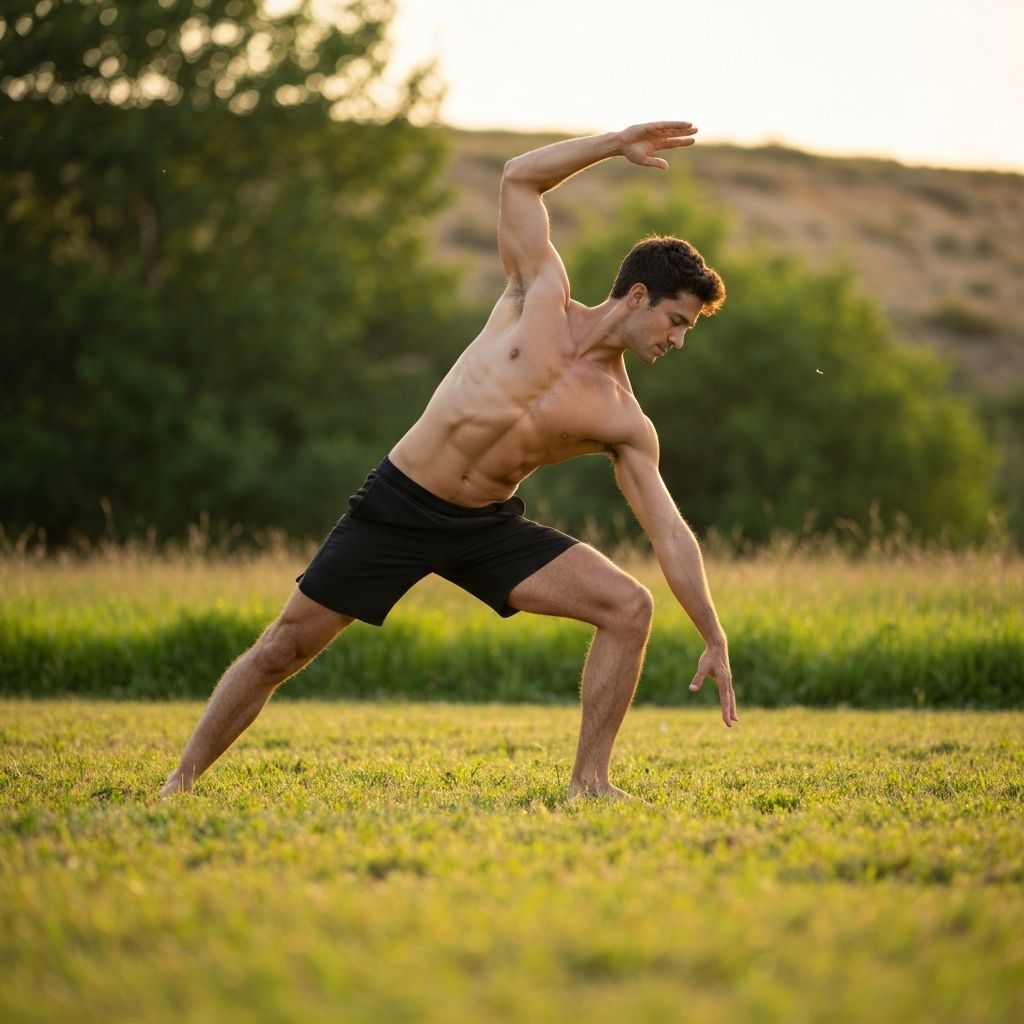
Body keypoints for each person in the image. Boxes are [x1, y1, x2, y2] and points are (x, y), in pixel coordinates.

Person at [160, 120, 737, 801]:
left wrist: (713, 633)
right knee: (282, 648)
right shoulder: (538, 293)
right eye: (677, 321)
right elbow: (519, 176)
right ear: (638, 296)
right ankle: (181, 781)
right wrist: (613, 145)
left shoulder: (622, 418)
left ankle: (589, 782)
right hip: (401, 502)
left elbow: (668, 531)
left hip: (484, 529)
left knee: (628, 606)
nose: (678, 340)